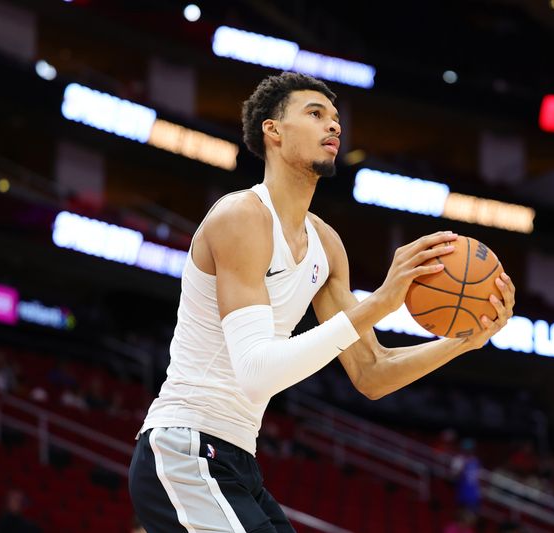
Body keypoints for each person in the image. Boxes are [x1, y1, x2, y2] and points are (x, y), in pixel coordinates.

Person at [128, 71, 516, 533]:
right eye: (315, 114)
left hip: (237, 459)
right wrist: (380, 302)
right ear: (272, 130)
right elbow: (256, 373)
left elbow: (372, 373)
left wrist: (464, 342)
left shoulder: (326, 246)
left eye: (335, 118)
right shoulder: (242, 217)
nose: (333, 126)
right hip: (185, 446)